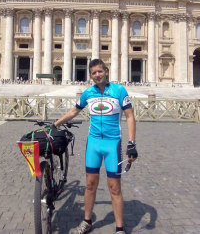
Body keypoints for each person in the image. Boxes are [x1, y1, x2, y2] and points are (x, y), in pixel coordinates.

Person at [53, 59, 138, 234]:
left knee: (114, 187)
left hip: (112, 144)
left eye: (100, 71)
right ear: (90, 75)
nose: (97, 75)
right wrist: (56, 124)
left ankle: (120, 228)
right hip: (93, 144)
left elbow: (130, 116)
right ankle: (87, 221)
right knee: (90, 184)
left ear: (106, 71)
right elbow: (74, 111)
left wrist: (132, 143)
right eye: (93, 73)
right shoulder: (88, 93)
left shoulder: (119, 90)